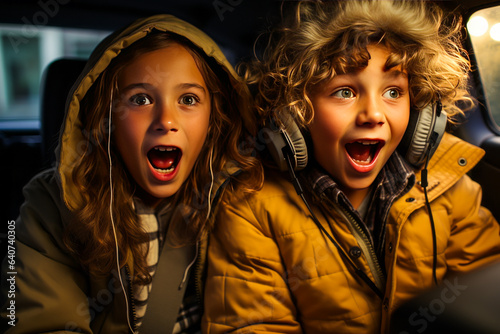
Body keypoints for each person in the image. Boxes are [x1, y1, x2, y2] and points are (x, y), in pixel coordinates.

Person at [202, 0, 500, 333]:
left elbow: (487, 297)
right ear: (296, 111)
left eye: (393, 91)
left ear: (421, 113)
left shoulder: (450, 189)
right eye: (344, 91)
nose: (373, 114)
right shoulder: (252, 211)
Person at [0, 14, 262, 333]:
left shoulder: (243, 195)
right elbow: (35, 321)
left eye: (188, 99)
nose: (166, 120)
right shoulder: (52, 206)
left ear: (214, 118)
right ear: (106, 117)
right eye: (140, 99)